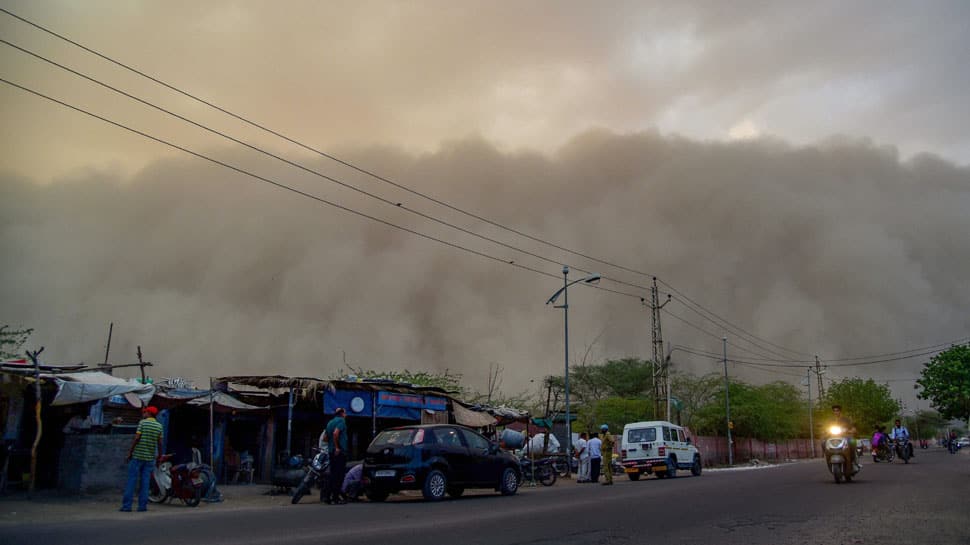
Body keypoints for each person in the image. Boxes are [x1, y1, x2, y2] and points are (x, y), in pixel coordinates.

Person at [120, 406, 163, 512]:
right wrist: (159, 456)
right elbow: (160, 443)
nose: (144, 413)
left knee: (132, 480)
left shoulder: (142, 423)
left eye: (145, 412)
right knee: (145, 482)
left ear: (149, 413)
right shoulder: (159, 426)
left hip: (137, 456)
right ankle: (142, 506)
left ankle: (127, 506)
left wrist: (130, 452)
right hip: (149, 458)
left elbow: (137, 438)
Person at [324, 407, 348, 505]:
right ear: (342, 414)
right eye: (345, 413)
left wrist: (332, 445)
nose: (346, 415)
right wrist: (337, 447)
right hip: (339, 452)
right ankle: (335, 498)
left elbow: (325, 438)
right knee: (339, 475)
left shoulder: (330, 422)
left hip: (331, 451)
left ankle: (327, 497)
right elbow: (336, 433)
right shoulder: (341, 421)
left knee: (332, 474)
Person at [830, 404, 858, 470]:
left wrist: (851, 431)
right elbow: (825, 428)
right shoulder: (830, 420)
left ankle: (853, 458)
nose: (836, 412)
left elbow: (853, 428)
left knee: (852, 441)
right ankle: (827, 455)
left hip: (845, 437)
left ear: (840, 411)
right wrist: (824, 431)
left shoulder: (846, 419)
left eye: (837, 410)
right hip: (832, 438)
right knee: (823, 442)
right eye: (834, 411)